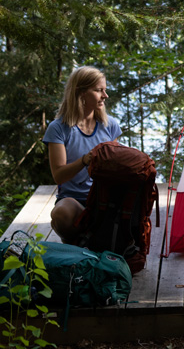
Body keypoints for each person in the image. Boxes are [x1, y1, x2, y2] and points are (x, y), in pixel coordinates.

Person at [43, 66, 122, 243]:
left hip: (104, 200)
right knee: (61, 213)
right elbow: (58, 176)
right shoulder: (58, 128)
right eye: (98, 90)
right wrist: (85, 160)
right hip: (74, 201)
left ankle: (96, 239)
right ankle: (79, 243)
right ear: (80, 93)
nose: (105, 95)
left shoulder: (110, 125)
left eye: (105, 90)